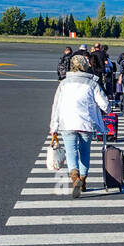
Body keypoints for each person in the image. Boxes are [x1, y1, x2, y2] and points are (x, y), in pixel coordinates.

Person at [49, 53, 109, 196]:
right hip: (86, 123)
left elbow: (56, 106)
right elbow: (105, 104)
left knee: (71, 151)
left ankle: (74, 176)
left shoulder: (63, 84)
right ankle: (83, 178)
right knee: (85, 152)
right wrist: (105, 111)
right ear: (85, 66)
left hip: (67, 122)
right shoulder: (92, 83)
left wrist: (54, 127)